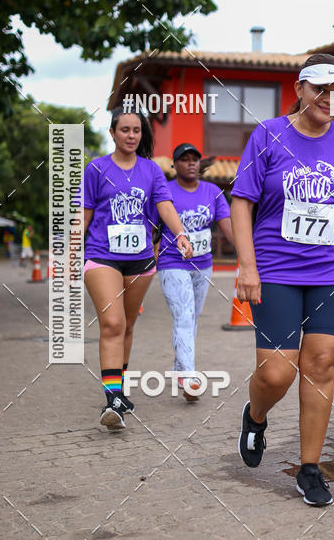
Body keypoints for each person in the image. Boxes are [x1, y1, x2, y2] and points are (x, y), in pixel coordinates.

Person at [231, 53, 334, 506]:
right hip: (276, 270)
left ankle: (310, 468)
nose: (328, 98)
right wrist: (247, 266)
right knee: (277, 372)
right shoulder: (268, 135)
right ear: (299, 88)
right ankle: (256, 415)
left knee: (320, 364)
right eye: (319, 88)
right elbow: (241, 201)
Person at [81, 108, 193, 430]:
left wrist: (181, 233)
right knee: (112, 323)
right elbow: (83, 214)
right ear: (113, 132)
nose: (131, 136)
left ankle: (119, 388)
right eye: (125, 130)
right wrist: (69, 250)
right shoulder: (96, 169)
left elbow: (165, 206)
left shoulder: (151, 171)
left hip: (141, 259)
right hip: (102, 255)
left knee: (128, 324)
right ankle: (113, 400)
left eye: (136, 131)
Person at [157, 143, 234, 401]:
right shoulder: (165, 191)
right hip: (172, 262)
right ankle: (189, 377)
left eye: (195, 159)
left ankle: (179, 368)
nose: (191, 163)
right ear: (174, 165)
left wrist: (249, 256)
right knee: (184, 315)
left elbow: (227, 226)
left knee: (193, 317)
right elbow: (150, 225)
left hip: (203, 265)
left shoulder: (212, 192)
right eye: (184, 159)